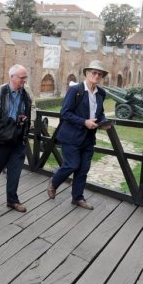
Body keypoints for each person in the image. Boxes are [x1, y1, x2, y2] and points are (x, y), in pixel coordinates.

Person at [47, 60, 111, 210]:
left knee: (83, 169)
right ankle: (54, 182)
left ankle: (78, 198)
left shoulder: (101, 93)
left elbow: (99, 113)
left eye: (99, 74)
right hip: (71, 136)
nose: (96, 76)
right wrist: (84, 122)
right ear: (87, 74)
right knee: (72, 164)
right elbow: (65, 113)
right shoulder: (75, 90)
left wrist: (103, 122)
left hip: (88, 138)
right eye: (94, 73)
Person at [0, 64, 32, 213]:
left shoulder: (25, 95)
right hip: (0, 142)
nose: (24, 80)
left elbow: (27, 116)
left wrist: (24, 133)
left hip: (18, 141)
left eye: (25, 77)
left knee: (15, 171)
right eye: (22, 78)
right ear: (12, 77)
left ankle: (12, 200)